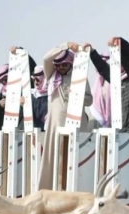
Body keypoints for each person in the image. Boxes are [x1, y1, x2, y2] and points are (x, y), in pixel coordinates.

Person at [37, 42, 93, 191]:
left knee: (75, 159)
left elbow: (89, 100)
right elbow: (46, 58)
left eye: (64, 65)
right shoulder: (51, 76)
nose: (61, 68)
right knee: (54, 158)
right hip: (56, 124)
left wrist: (77, 95)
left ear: (70, 63)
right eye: (58, 65)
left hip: (76, 125)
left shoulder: (79, 78)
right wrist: (65, 46)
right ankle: (50, 191)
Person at [85, 36, 129, 133]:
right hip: (117, 127)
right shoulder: (115, 79)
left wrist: (120, 42)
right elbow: (102, 68)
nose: (118, 66)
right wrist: (92, 52)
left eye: (120, 63)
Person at [31, 66, 48, 130]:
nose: (35, 82)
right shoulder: (32, 94)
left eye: (37, 80)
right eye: (34, 80)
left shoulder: (52, 94)